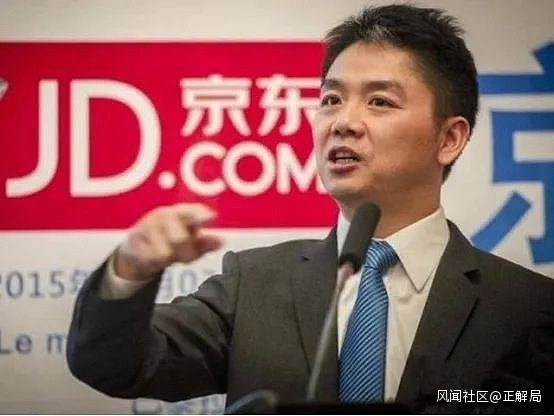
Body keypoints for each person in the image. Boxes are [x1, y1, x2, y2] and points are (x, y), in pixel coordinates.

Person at [67, 4, 554, 412]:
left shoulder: (527, 308)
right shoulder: (253, 285)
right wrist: (131, 269)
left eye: (380, 102)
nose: (343, 122)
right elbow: (114, 365)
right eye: (331, 99)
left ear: (449, 138)